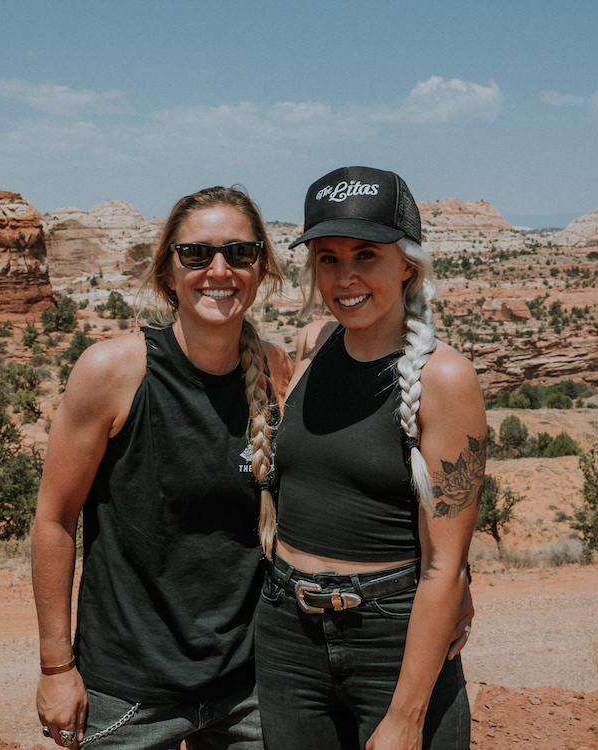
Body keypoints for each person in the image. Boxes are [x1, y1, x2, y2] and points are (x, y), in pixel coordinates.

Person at [32, 185, 293, 749]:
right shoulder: (112, 372)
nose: (218, 270)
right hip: (128, 690)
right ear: (168, 271)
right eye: (196, 254)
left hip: (247, 688)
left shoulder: (275, 371)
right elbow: (55, 518)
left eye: (239, 253)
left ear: (261, 268)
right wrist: (56, 666)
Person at [254, 166, 486, 749]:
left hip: (393, 637)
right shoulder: (315, 345)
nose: (345, 277)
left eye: (366, 255)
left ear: (408, 263)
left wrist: (407, 715)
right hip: (286, 637)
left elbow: (444, 564)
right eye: (328, 258)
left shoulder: (444, 379)